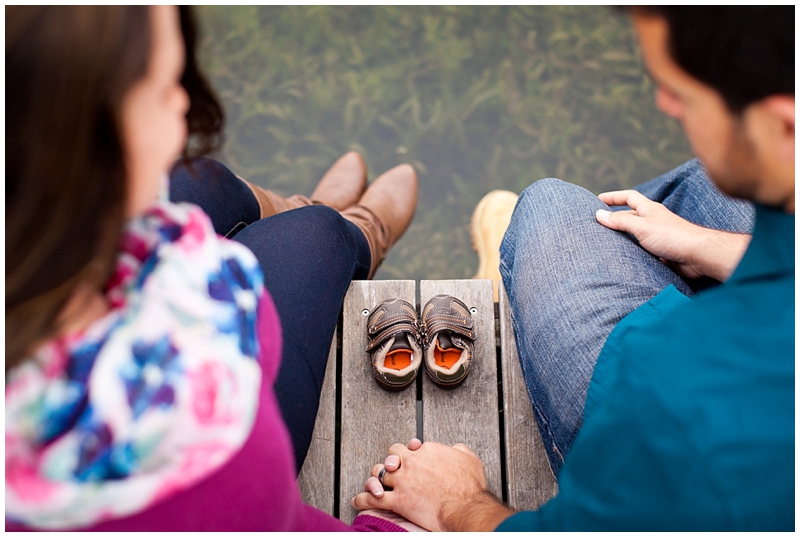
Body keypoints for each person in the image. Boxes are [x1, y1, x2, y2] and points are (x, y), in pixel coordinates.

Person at [352, 6, 793, 531]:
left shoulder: (673, 391)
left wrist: (458, 502)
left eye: (686, 93)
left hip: (705, 394)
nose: (663, 103)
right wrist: (710, 247)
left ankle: (509, 287)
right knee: (690, 189)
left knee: (549, 209)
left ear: (786, 124)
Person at [6, 5, 419, 531]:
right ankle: (354, 231)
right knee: (312, 238)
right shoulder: (187, 448)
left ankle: (313, 213)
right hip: (236, 436)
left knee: (201, 182)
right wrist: (395, 524)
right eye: (163, 89)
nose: (184, 102)